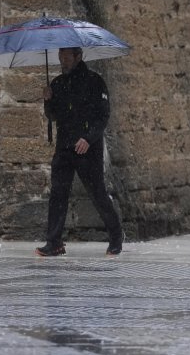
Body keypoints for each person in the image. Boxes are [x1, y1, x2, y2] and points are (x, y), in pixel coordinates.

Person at [35, 47, 124, 257]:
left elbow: (103, 116)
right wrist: (47, 99)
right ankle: (54, 242)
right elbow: (53, 115)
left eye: (66, 57)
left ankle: (116, 235)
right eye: (60, 57)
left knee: (97, 194)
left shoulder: (94, 81)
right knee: (57, 195)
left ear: (78, 57)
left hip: (88, 149)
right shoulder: (57, 83)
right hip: (64, 147)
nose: (62, 61)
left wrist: (88, 138)